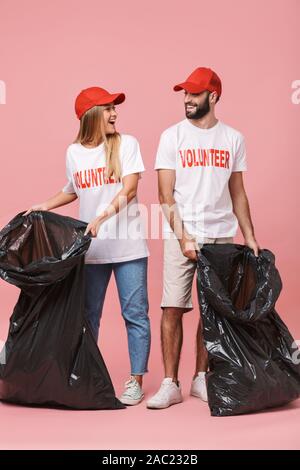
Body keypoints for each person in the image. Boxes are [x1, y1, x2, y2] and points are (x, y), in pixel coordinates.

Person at [24, 86, 151, 406]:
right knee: (88, 315)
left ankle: (135, 380)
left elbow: (131, 188)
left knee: (135, 314)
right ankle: (87, 375)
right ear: (90, 115)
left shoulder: (127, 144)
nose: (114, 113)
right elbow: (72, 190)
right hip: (92, 251)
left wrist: (103, 216)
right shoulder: (74, 153)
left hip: (128, 247)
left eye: (114, 107)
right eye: (107, 108)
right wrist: (44, 205)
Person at [147, 67, 260, 409]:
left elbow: (238, 193)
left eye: (194, 94)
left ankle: (200, 377)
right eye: (185, 93)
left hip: (221, 235)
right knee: (172, 307)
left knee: (212, 311)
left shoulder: (233, 139)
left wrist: (250, 236)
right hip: (182, 232)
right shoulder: (172, 137)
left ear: (213, 96)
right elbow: (165, 195)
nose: (187, 99)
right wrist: (183, 237)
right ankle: (170, 383)